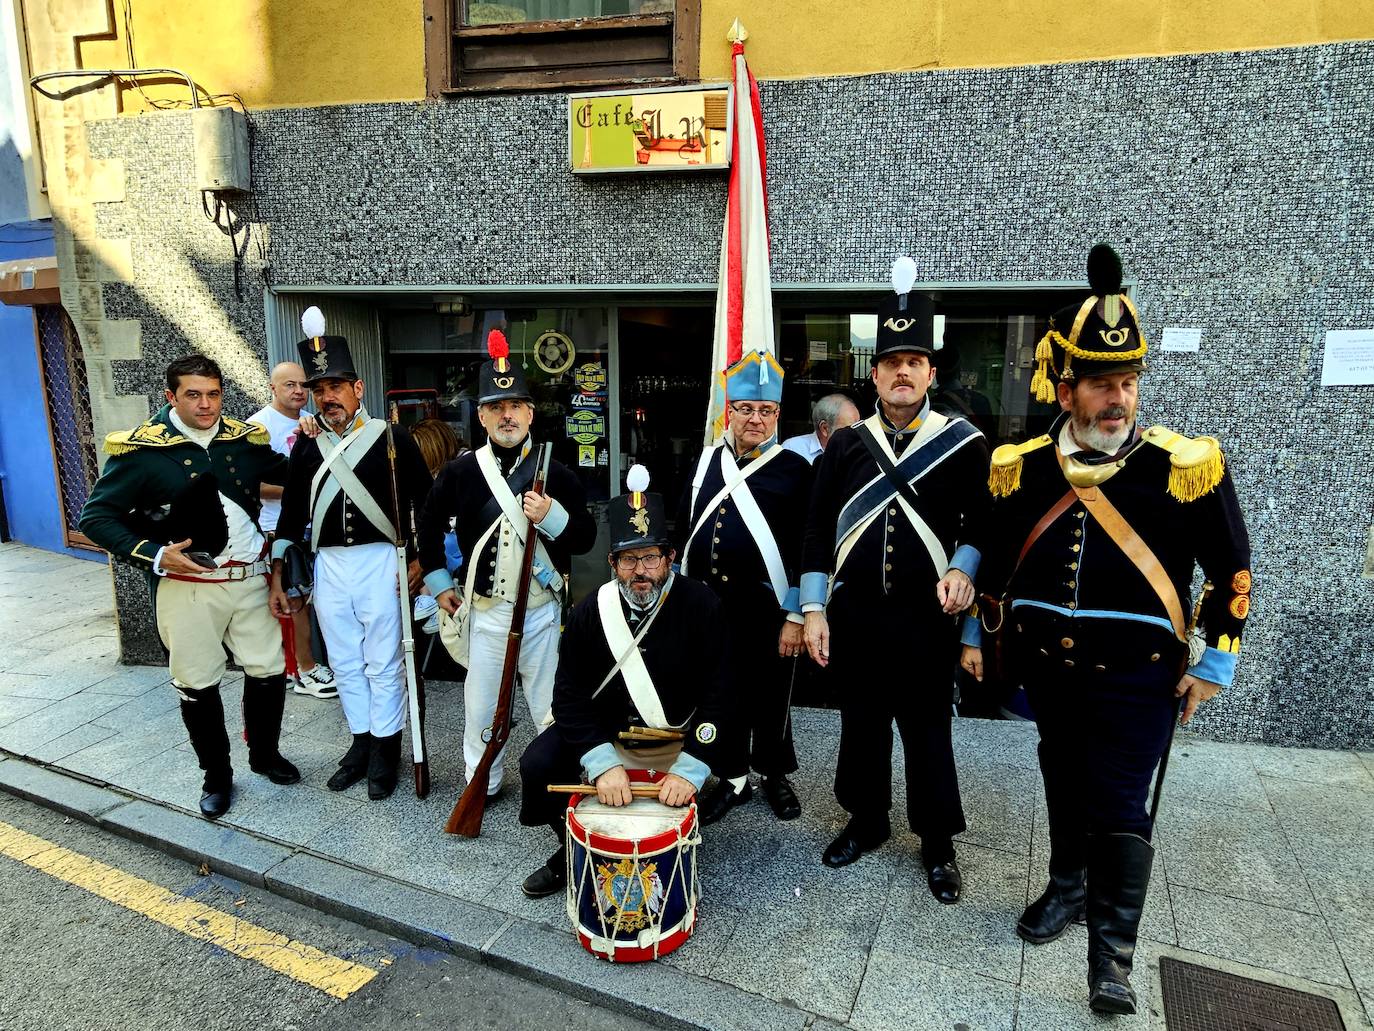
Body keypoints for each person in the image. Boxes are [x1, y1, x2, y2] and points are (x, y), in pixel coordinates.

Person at [959, 244, 1252, 1015]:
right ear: (1067, 387)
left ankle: (1111, 955)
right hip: (1052, 671)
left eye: (1126, 382)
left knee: (1123, 805)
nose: (1117, 397)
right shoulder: (1022, 466)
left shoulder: (1186, 465)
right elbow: (988, 549)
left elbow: (1233, 574)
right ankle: (1065, 886)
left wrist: (1214, 665)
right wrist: (973, 613)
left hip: (1140, 678)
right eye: (1100, 383)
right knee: (1061, 778)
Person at [800, 257, 989, 903]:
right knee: (862, 724)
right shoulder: (848, 445)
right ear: (874, 373)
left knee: (929, 730)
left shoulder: (963, 442)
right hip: (857, 617)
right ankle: (868, 819)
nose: (902, 370)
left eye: (914, 359)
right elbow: (817, 527)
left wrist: (964, 570)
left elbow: (984, 523)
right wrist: (814, 609)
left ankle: (937, 840)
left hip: (926, 620)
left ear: (931, 371)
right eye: (891, 361)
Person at [79, 355, 299, 820]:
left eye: (213, 394)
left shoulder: (242, 441)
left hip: (249, 578)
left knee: (268, 669)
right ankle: (216, 777)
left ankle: (264, 756)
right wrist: (156, 554)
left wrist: (324, 437)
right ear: (171, 396)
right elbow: (95, 519)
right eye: (193, 395)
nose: (206, 404)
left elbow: (293, 472)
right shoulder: (140, 452)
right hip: (187, 584)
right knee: (197, 682)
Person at [516, 470, 737, 898]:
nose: (641, 571)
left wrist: (691, 771)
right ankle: (571, 848)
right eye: (629, 560)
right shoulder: (588, 612)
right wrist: (602, 763)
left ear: (669, 559)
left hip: (674, 732)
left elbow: (722, 693)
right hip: (607, 730)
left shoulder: (702, 605)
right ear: (612, 564)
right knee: (537, 766)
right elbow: (570, 695)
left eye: (651, 557)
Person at [418, 330, 596, 798]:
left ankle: (550, 778)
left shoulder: (556, 470)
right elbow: (427, 526)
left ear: (531, 413)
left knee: (549, 704)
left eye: (515, 405)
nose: (507, 415)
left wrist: (551, 516)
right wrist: (439, 585)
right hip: (486, 611)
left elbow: (586, 538)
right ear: (481, 416)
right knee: (481, 708)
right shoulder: (460, 472)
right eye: (496, 407)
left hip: (541, 611)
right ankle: (483, 783)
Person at [269, 309, 432, 800]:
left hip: (382, 558)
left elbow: (426, 503)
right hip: (329, 565)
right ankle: (360, 742)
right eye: (319, 390)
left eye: (336, 386)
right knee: (343, 661)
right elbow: (292, 514)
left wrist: (422, 561)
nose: (328, 397)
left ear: (358, 389)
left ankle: (386, 747)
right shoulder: (307, 446)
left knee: (383, 660)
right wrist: (278, 573)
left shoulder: (392, 438)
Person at [675, 350, 814, 823]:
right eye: (746, 409)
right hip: (710, 602)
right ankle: (732, 776)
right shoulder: (706, 461)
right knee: (719, 690)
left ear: (777, 414)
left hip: (766, 603)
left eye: (766, 411)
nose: (756, 419)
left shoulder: (796, 470)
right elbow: (683, 528)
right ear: (729, 411)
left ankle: (773, 773)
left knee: (771, 692)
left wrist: (797, 614)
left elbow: (808, 550)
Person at [249, 361, 336, 700]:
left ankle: (307, 664)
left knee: (315, 596)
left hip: (318, 526)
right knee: (295, 598)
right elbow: (253, 486)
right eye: (289, 385)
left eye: (303, 385)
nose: (298, 391)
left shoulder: (316, 422)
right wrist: (303, 492)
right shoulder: (258, 427)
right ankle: (306, 670)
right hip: (278, 527)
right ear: (273, 388)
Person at [781, 393, 861, 464]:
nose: (858, 434)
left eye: (859, 426)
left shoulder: (859, 451)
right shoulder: (793, 449)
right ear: (825, 428)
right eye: (850, 429)